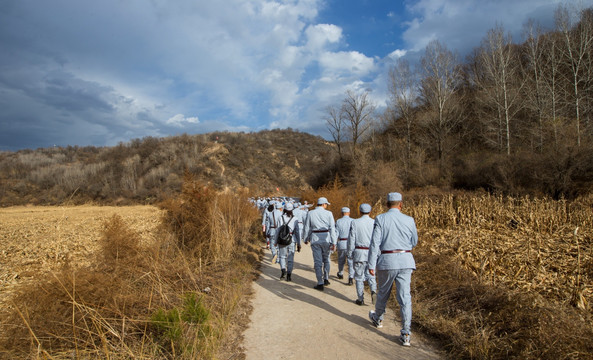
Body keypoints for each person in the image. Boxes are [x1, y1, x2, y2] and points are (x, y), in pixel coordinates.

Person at [368, 192, 418, 347]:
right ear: (401, 204)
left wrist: (371, 264)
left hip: (387, 261)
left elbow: (375, 243)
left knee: (383, 292)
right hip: (405, 260)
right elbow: (414, 241)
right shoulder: (409, 220)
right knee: (405, 298)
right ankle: (406, 333)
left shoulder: (381, 219)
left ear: (386, 204)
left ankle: (378, 317)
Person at [303, 197, 337, 291]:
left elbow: (307, 227)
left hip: (315, 237)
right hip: (326, 237)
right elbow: (332, 228)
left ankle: (320, 282)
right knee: (326, 259)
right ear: (323, 204)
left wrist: (305, 238)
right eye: (326, 204)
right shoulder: (329, 213)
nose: (326, 206)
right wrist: (334, 242)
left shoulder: (310, 213)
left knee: (317, 262)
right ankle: (326, 278)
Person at [347, 203, 377, 305]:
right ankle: (373, 290)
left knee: (359, 276)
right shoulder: (374, 222)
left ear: (360, 211)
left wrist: (350, 252)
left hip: (359, 252)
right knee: (371, 275)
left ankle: (360, 298)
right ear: (370, 211)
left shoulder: (355, 222)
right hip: (371, 252)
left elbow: (352, 238)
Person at [272, 203, 301, 281]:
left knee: (282, 256)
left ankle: (283, 271)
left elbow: (277, 230)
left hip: (282, 240)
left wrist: (275, 241)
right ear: (292, 210)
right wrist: (299, 243)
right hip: (292, 239)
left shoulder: (281, 218)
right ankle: (289, 275)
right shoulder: (295, 219)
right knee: (290, 258)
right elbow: (297, 232)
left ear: (284, 209)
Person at [335, 207, 354, 285]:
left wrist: (334, 243)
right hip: (351, 243)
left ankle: (340, 273)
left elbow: (336, 233)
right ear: (349, 213)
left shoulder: (338, 221)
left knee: (341, 260)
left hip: (342, 242)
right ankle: (350, 277)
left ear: (342, 213)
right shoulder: (353, 221)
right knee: (351, 261)